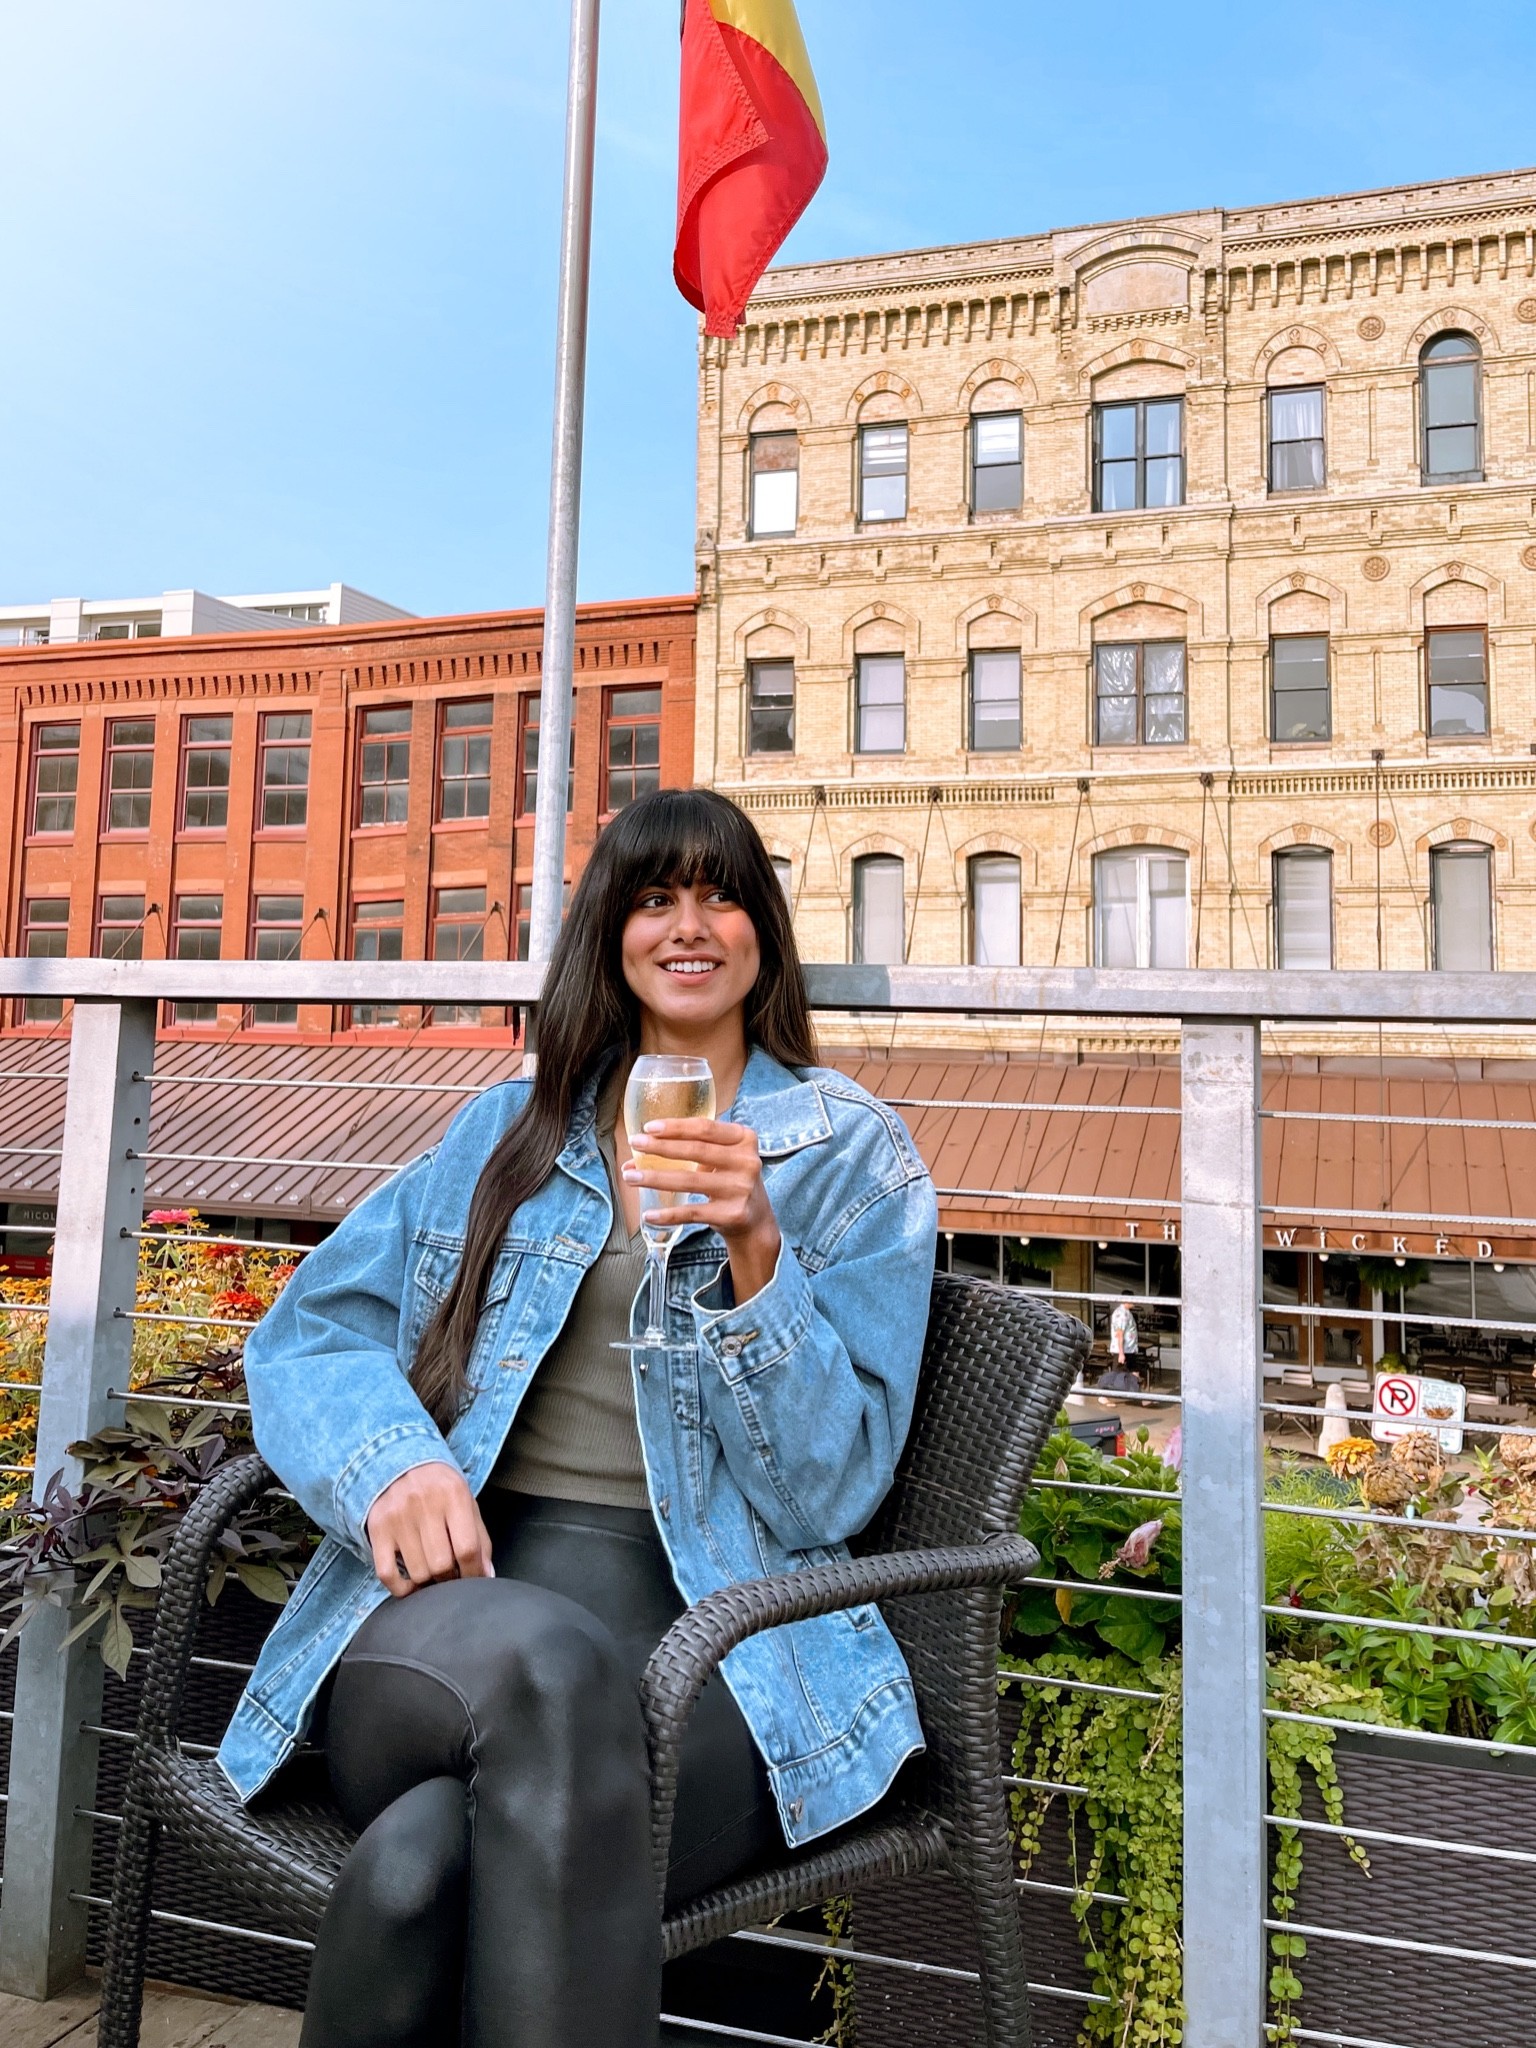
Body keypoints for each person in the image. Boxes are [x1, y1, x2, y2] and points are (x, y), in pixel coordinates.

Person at [215, 788, 939, 2048]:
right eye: (654, 896)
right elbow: (306, 1329)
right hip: (457, 1611)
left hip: (721, 1639)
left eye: (719, 892)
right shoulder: (510, 1125)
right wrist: (393, 1469)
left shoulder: (855, 1158)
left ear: (761, 925)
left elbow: (833, 1493)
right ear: (610, 930)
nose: (688, 924)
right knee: (546, 1669)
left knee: (416, 1868)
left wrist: (760, 1253)